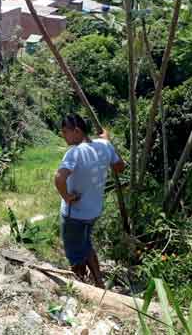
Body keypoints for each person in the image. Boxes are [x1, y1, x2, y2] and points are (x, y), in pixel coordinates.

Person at [54, 113, 126, 288]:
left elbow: (59, 178)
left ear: (77, 131)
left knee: (75, 252)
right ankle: (98, 281)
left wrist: (67, 197)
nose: (63, 135)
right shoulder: (104, 146)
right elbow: (120, 167)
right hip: (93, 211)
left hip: (74, 213)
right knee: (85, 244)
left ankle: (82, 285)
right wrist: (107, 143)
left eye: (65, 131)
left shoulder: (74, 152)